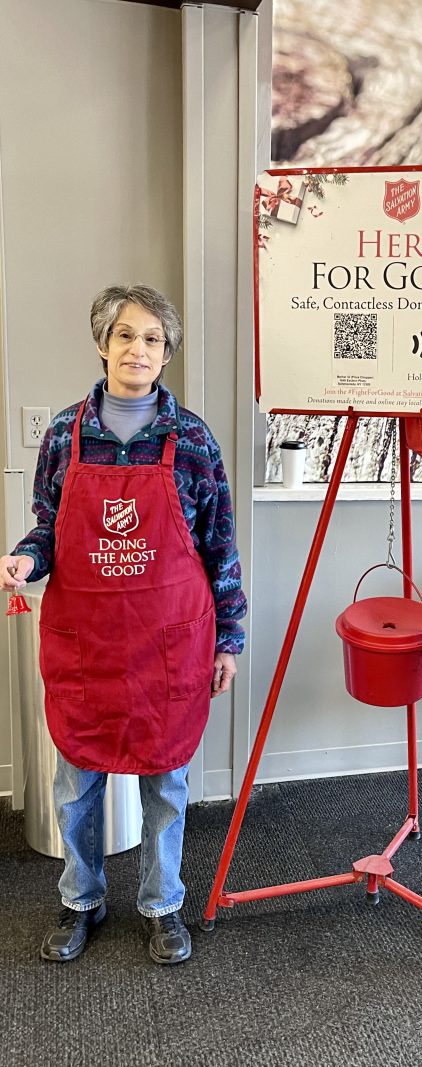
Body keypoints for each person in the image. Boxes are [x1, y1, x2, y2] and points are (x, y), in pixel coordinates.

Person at [0, 285, 246, 965]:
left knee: (167, 782)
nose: (139, 349)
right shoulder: (63, 435)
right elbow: (50, 528)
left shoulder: (191, 440)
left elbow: (219, 544)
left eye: (153, 340)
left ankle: (163, 905)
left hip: (170, 645)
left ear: (166, 354)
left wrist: (229, 639)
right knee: (76, 787)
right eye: (126, 335)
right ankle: (81, 899)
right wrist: (25, 556)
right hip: (88, 645)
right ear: (103, 343)